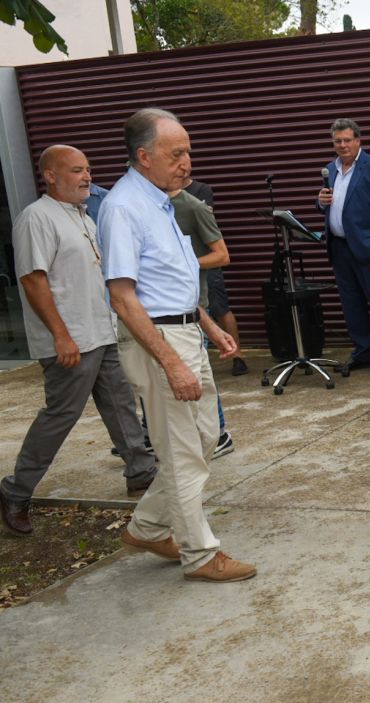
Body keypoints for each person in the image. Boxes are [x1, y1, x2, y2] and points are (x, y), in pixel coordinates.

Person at [98, 107, 255, 583]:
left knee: (206, 438)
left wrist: (207, 324)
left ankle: (147, 527)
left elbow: (170, 281)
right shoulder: (124, 208)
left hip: (184, 330)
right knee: (183, 450)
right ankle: (201, 554)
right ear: (144, 156)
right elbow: (124, 298)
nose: (187, 161)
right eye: (177, 153)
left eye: (188, 151)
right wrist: (170, 362)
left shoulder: (163, 201)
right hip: (159, 340)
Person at [0, 146, 157, 536]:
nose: (86, 177)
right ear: (50, 176)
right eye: (75, 171)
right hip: (70, 341)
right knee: (62, 415)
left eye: (87, 170)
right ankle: (16, 491)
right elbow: (33, 280)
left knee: (121, 402)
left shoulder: (83, 216)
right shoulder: (36, 218)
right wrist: (60, 335)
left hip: (100, 330)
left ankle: (141, 472)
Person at [316, 118, 370, 376]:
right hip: (340, 248)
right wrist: (320, 202)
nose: (342, 145)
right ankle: (362, 352)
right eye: (338, 141)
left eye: (347, 140)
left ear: (358, 140)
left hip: (369, 249)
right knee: (351, 305)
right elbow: (331, 205)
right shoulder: (329, 169)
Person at [170, 177, 234, 457]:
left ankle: (218, 434)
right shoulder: (145, 207)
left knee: (199, 376)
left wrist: (183, 265)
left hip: (194, 302)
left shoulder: (193, 204)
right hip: (164, 307)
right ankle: (152, 432)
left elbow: (221, 256)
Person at [184, 180, 247, 377]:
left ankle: (237, 355)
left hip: (207, 260)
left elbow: (204, 214)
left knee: (220, 307)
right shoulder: (160, 192)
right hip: (183, 264)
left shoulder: (201, 190)